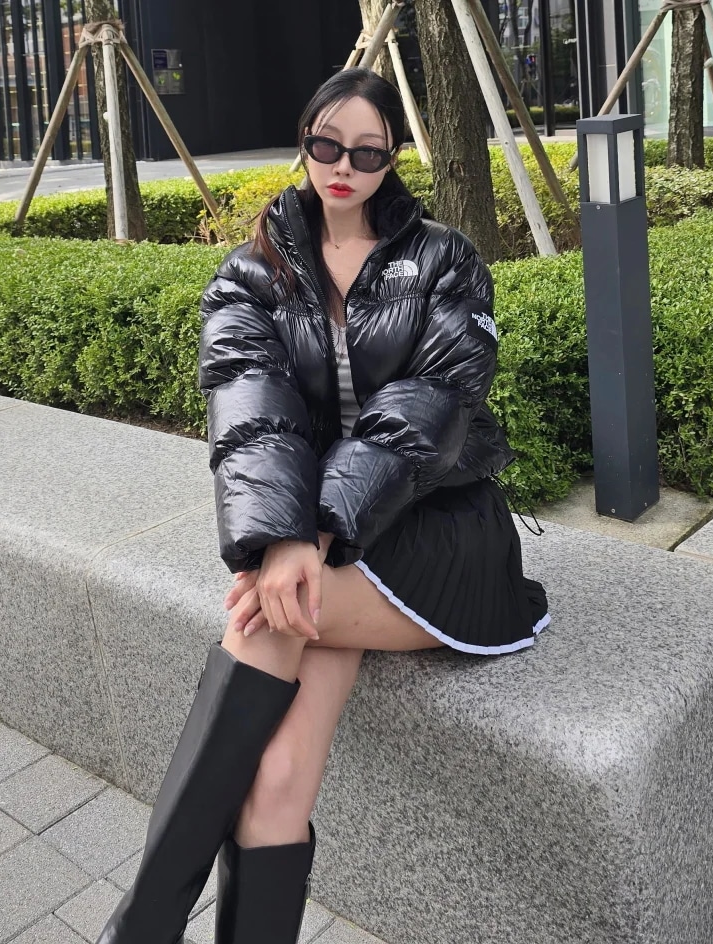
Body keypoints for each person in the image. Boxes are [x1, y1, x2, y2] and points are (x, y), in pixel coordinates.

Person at [97, 67, 549, 944]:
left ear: (394, 157)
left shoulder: (445, 259)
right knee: (271, 794)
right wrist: (281, 541)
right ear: (304, 141)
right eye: (327, 145)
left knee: (264, 618)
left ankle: (140, 929)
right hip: (319, 548)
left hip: (435, 534)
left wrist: (311, 533)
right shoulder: (248, 273)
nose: (345, 166)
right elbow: (252, 414)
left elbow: (429, 411)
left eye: (368, 152)